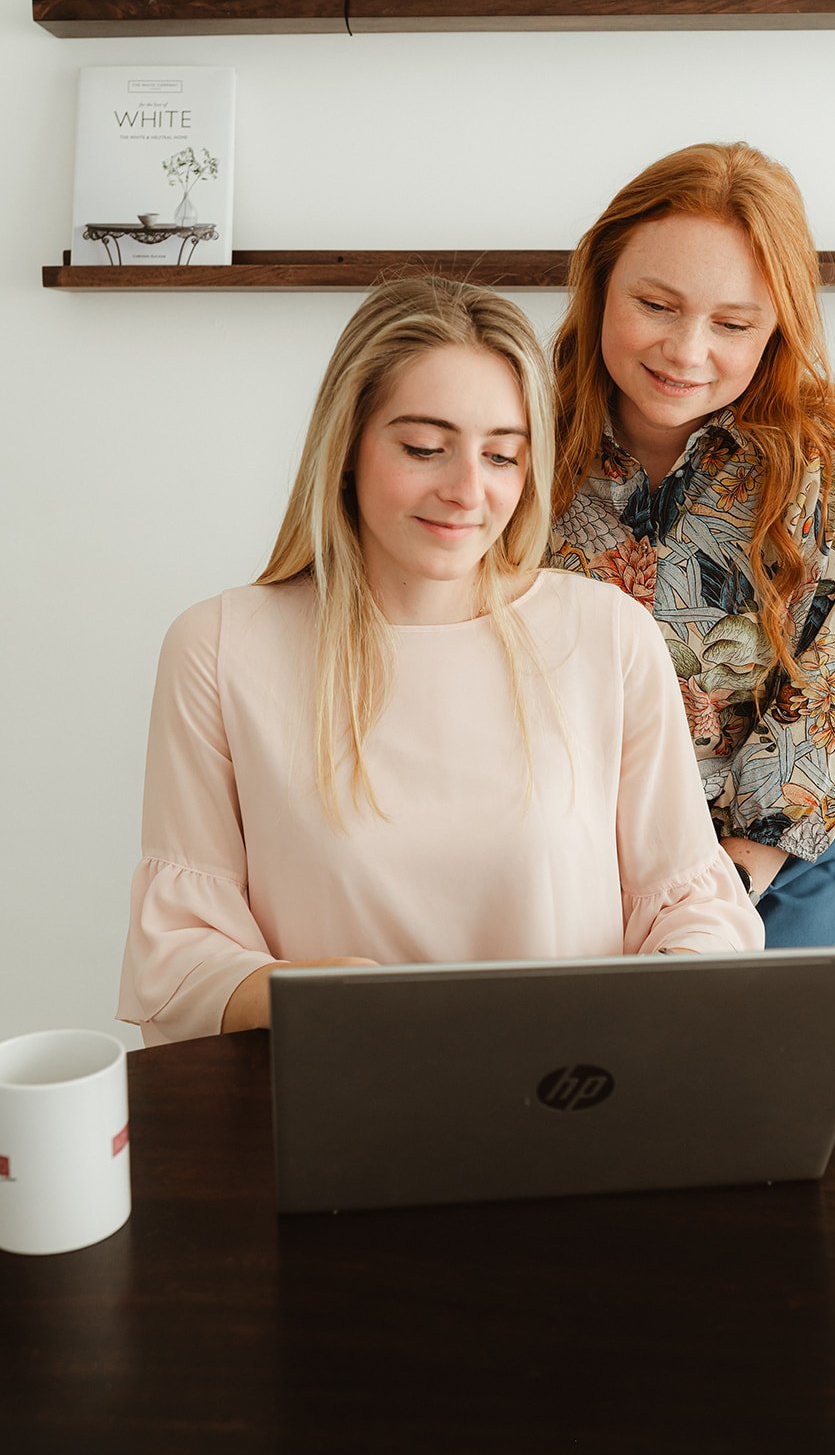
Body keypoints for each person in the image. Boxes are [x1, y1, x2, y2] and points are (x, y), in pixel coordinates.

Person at [119, 276, 762, 1046]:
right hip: (335, 1099)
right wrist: (311, 994)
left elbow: (688, 903)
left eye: (501, 456)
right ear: (347, 446)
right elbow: (181, 956)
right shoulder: (220, 648)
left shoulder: (607, 635)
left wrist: (668, 992)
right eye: (424, 448)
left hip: (572, 1101)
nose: (466, 491)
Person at [549, 142, 835, 947]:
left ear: (776, 328)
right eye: (654, 305)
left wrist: (716, 891)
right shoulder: (511, 441)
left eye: (732, 323)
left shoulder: (826, 473)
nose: (686, 351)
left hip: (763, 861)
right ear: (600, 284)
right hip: (547, 858)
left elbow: (831, 708)